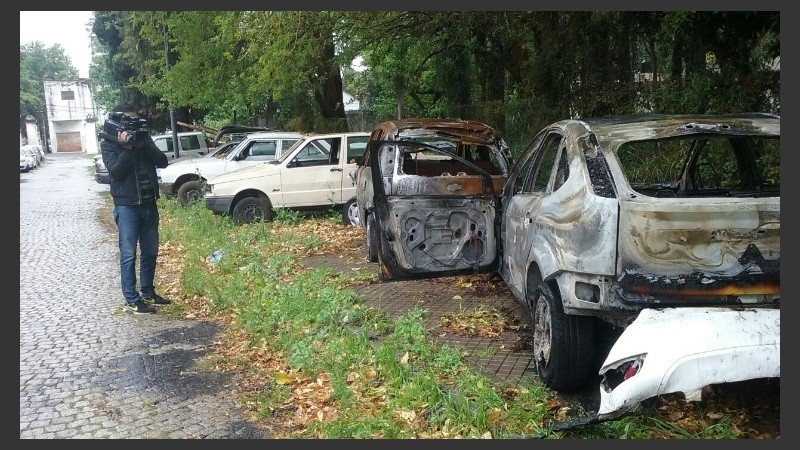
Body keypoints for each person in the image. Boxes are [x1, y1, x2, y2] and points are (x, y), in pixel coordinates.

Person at [99, 103, 171, 314]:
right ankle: (131, 298)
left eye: (135, 119)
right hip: (127, 206)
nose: (132, 124)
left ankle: (148, 292)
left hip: (149, 204)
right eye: (128, 120)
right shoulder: (108, 143)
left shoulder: (144, 139)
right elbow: (116, 173)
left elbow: (162, 161)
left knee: (150, 252)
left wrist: (143, 145)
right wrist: (127, 149)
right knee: (129, 254)